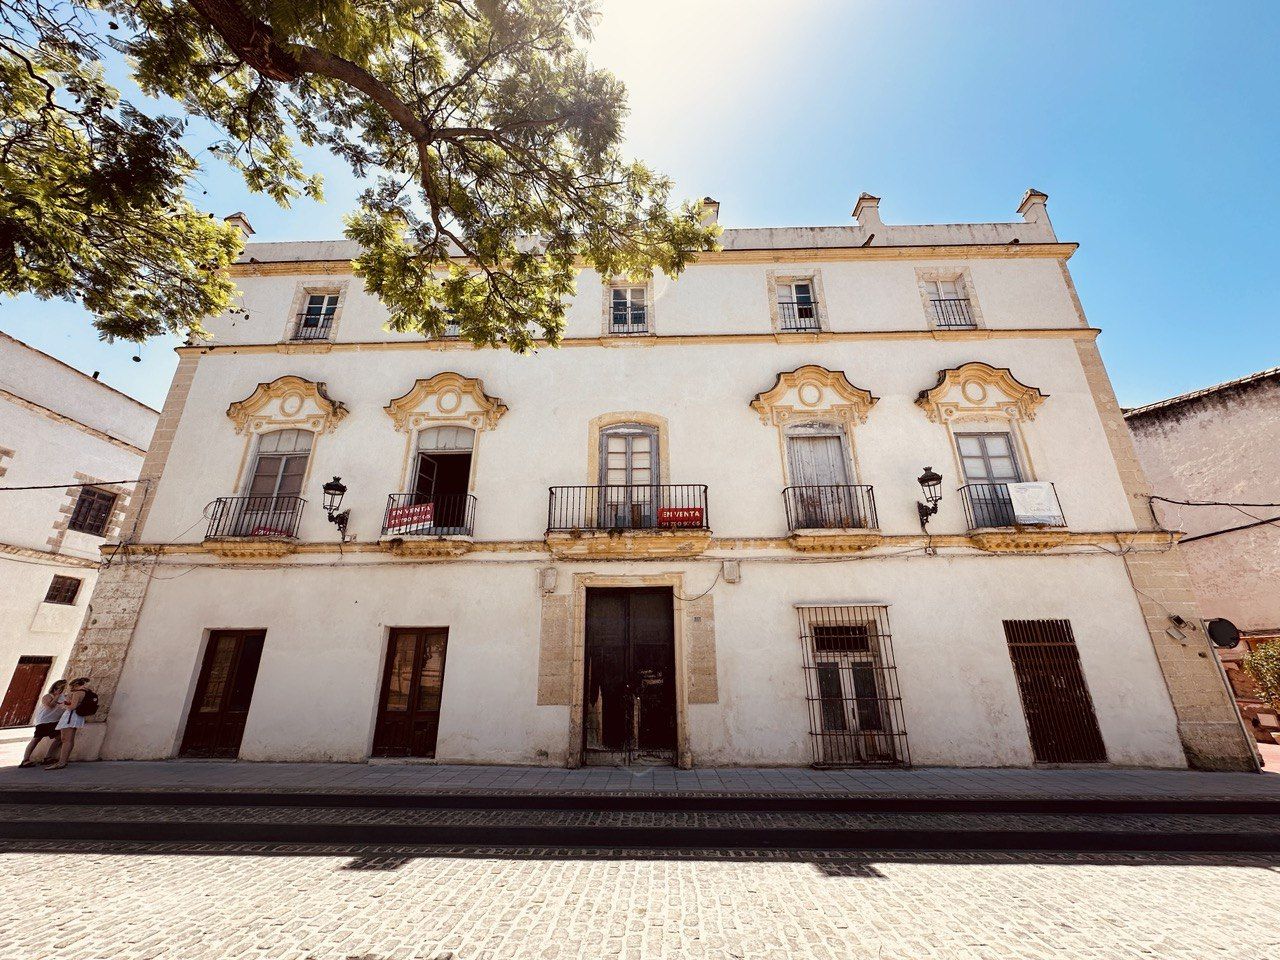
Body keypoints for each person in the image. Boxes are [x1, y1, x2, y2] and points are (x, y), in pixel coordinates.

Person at [45, 677, 93, 771]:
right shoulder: (87, 692)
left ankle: (61, 762)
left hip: (70, 717)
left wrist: (64, 705)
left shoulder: (77, 693)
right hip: (76, 717)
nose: (71, 689)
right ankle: (63, 761)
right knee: (69, 740)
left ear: (75, 685)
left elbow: (72, 707)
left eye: (72, 686)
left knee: (66, 740)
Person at [17, 679, 66, 768]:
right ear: (54, 689)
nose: (60, 691)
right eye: (58, 689)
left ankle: (48, 757)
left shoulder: (63, 697)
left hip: (54, 721)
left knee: (59, 738)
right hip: (43, 721)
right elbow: (50, 706)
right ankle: (25, 760)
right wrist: (57, 696)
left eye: (62, 689)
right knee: (36, 739)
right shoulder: (47, 696)